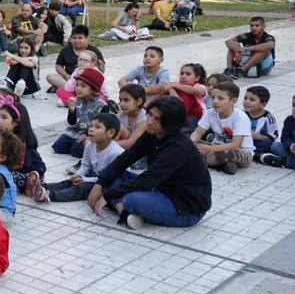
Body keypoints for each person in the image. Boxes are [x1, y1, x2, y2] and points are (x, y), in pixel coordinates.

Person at [88, 96, 212, 229]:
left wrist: (108, 196)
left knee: (132, 200)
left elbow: (149, 179)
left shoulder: (178, 147)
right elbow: (125, 159)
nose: (150, 121)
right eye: (150, 115)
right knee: (112, 176)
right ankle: (124, 212)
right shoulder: (152, 134)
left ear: (171, 123)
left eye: (157, 119)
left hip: (184, 206)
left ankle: (125, 207)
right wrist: (100, 183)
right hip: (160, 189)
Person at [38, 113, 123, 203]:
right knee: (70, 181)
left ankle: (50, 195)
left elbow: (109, 179)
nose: (91, 129)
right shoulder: (90, 145)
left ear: (111, 132)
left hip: (109, 183)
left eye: (97, 127)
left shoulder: (115, 153)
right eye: (91, 126)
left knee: (82, 187)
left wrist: (84, 179)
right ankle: (42, 187)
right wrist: (78, 175)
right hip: (96, 176)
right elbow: (85, 165)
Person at [190, 80, 253, 175]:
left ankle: (200, 161)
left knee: (227, 154)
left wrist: (209, 149)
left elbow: (236, 144)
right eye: (213, 98)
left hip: (240, 152)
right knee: (186, 142)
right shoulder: (210, 112)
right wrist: (192, 143)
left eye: (220, 98)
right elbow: (198, 133)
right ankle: (224, 164)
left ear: (233, 101)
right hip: (216, 146)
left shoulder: (241, 117)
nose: (215, 101)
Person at [52, 67, 109, 158]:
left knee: (77, 151)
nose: (78, 88)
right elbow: (72, 122)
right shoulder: (77, 100)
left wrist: (88, 136)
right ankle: (75, 144)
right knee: (58, 147)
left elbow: (102, 128)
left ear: (93, 89)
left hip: (91, 135)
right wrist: (72, 111)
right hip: (75, 131)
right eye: (77, 85)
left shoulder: (101, 106)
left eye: (83, 86)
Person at [47, 25, 104, 92]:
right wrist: (66, 75)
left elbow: (101, 69)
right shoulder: (66, 50)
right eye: (74, 38)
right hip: (69, 78)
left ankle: (68, 89)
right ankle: (71, 88)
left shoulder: (94, 51)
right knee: (50, 76)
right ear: (71, 38)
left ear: (87, 38)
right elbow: (58, 65)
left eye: (80, 38)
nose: (77, 40)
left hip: (87, 80)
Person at [260, 95, 295, 169]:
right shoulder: (290, 120)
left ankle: (285, 161)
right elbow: (285, 137)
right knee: (275, 146)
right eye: (294, 105)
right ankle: (288, 161)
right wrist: (290, 145)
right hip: (291, 152)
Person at [244, 85, 278, 159]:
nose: (246, 101)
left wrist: (256, 136)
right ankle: (258, 156)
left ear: (263, 104)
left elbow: (273, 136)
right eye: (245, 98)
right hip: (244, 140)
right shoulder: (242, 114)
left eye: (252, 100)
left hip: (258, 142)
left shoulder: (268, 117)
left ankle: (254, 154)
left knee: (268, 145)